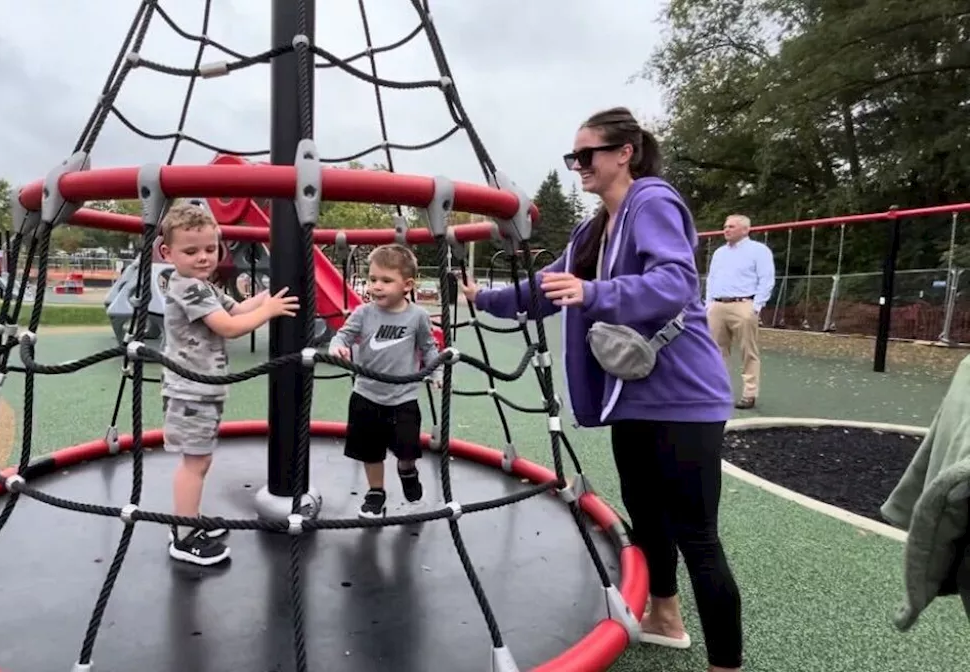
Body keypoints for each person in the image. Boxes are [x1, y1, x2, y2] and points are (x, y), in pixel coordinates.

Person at [461, 107, 744, 671]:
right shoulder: (596, 227)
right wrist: (483, 299)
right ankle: (666, 617)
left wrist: (593, 294)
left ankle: (726, 665)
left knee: (697, 535)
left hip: (683, 397)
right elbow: (549, 288)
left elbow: (676, 280)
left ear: (625, 153)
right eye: (572, 157)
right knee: (646, 512)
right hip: (633, 394)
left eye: (586, 155)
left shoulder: (652, 200)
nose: (577, 166)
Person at [158, 202, 299, 565]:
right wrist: (268, 313)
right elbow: (230, 328)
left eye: (210, 249)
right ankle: (183, 534)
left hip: (202, 387)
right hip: (190, 390)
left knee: (199, 460)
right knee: (195, 462)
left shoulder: (202, 285)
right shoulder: (188, 287)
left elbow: (236, 308)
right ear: (167, 252)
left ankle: (189, 519)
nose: (204, 257)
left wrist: (270, 295)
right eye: (191, 251)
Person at [328, 244, 442, 519]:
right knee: (371, 451)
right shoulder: (363, 313)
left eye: (386, 281)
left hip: (403, 399)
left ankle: (408, 474)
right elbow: (342, 336)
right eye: (372, 279)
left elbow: (429, 348)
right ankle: (376, 492)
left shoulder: (417, 317)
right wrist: (336, 347)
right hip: (366, 395)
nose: (376, 286)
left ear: (407, 285)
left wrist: (436, 372)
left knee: (406, 452)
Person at [704, 214, 775, 409]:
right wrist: (709, 303)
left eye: (731, 226)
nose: (726, 229)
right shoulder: (719, 253)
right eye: (725, 226)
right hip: (718, 305)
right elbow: (712, 278)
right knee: (716, 351)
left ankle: (749, 393)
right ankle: (718, 392)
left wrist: (756, 306)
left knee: (748, 350)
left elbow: (766, 279)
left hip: (743, 304)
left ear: (745, 229)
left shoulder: (758, 251)